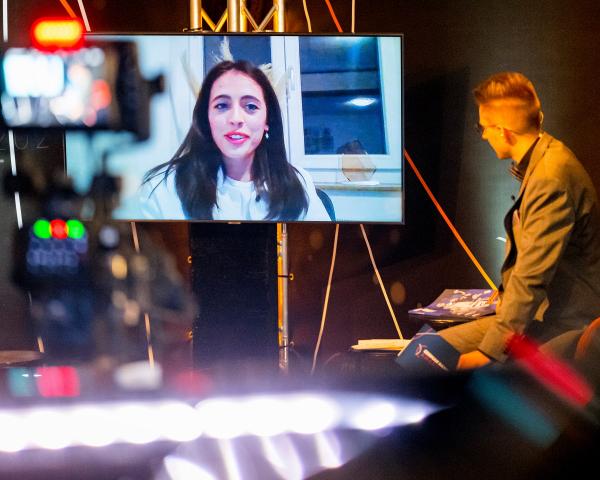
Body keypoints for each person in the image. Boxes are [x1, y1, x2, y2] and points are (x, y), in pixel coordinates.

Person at [439, 72, 600, 369]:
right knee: (431, 349)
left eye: (484, 128)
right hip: (541, 316)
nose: (484, 135)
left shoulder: (551, 178)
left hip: (564, 326)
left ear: (503, 131)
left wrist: (488, 354)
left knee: (443, 362)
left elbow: (531, 280)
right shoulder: (545, 160)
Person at [140, 60, 330, 221]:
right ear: (206, 119)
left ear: (267, 120)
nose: (236, 118)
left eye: (250, 106)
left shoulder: (299, 182)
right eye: (222, 105)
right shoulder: (162, 190)